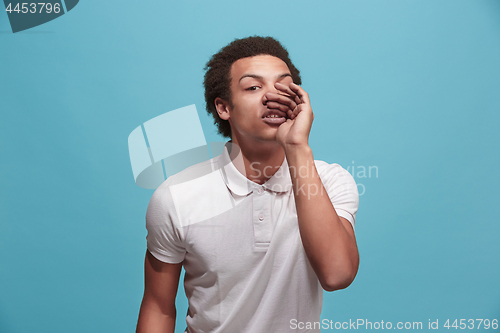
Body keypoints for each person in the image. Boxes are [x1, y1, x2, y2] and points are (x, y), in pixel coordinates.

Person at [136, 36, 359, 333]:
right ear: (223, 108)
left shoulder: (330, 181)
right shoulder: (176, 196)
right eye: (254, 87)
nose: (272, 96)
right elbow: (158, 307)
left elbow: (337, 275)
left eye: (284, 86)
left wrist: (297, 148)